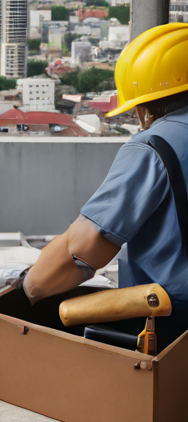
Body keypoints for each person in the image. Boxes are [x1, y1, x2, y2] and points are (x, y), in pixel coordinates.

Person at [22, 23, 188, 350]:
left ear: (148, 102)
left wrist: (26, 285)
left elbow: (84, 248)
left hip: (174, 328)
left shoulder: (155, 145)